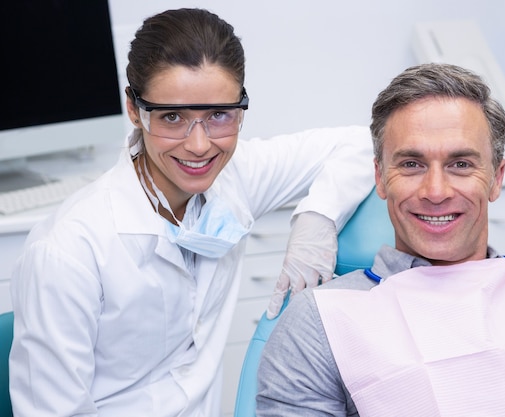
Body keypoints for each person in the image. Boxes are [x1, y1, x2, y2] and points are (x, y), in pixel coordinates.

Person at [8, 8, 374, 417]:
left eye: (219, 115)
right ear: (134, 109)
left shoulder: (237, 177)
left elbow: (364, 142)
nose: (199, 145)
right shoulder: (68, 251)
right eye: (172, 117)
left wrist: (318, 220)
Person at [256, 63, 505, 416]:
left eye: (461, 164)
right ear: (381, 178)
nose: (435, 191)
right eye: (412, 164)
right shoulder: (319, 324)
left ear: (496, 178)